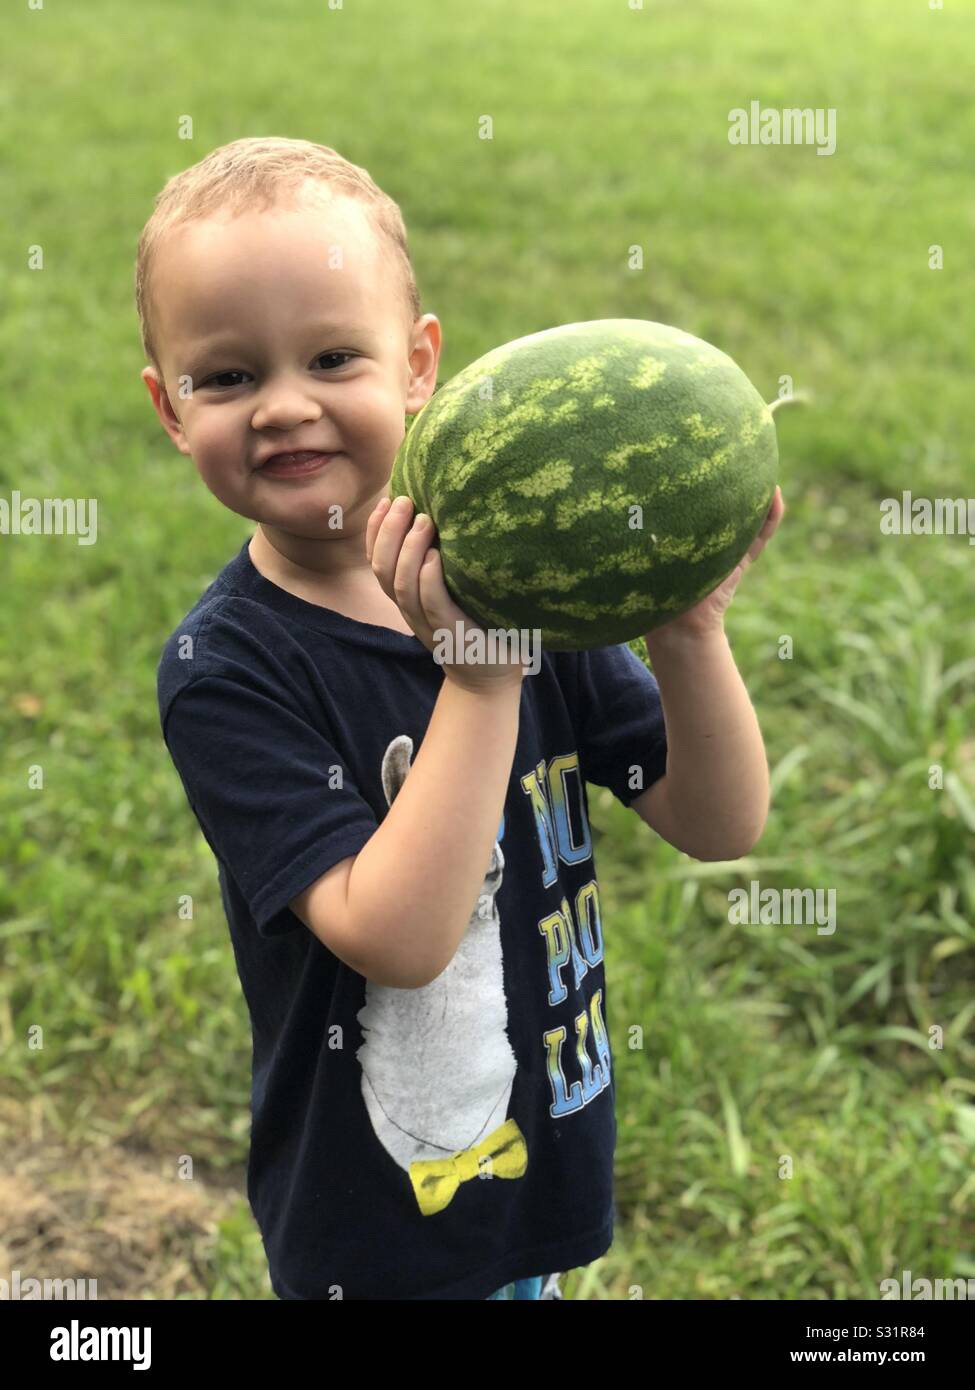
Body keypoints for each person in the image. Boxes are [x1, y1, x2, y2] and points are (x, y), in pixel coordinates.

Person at [138, 136, 783, 1301]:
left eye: (335, 356)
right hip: (382, 1224)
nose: (286, 407)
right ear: (170, 408)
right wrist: (482, 679)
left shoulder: (522, 581)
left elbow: (718, 820)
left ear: (421, 363)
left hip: (540, 1170)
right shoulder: (228, 668)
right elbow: (398, 937)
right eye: (227, 377)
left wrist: (690, 635)